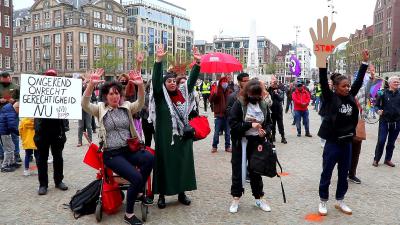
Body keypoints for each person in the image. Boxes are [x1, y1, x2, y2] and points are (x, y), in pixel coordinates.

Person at [82, 68, 153, 225]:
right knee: (135, 177)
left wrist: (140, 86)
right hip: (112, 154)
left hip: (129, 149)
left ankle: (139, 190)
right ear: (105, 96)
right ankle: (128, 214)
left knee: (150, 158)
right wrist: (91, 85)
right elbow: (84, 104)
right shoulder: (100, 109)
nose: (115, 96)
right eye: (111, 94)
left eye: (117, 93)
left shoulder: (126, 106)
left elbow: (140, 103)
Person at [316, 48, 369, 216]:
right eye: (344, 86)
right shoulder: (330, 98)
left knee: (343, 174)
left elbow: (359, 82)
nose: (347, 88)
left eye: (348, 86)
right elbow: (323, 81)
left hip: (347, 143)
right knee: (327, 172)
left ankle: (340, 200)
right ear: (336, 87)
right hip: (333, 143)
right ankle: (323, 201)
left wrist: (364, 63)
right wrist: (322, 63)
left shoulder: (350, 96)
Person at [151, 45, 201, 209]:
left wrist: (197, 63)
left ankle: (181, 193)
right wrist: (159, 61)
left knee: (183, 165)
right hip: (166, 138)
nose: (172, 83)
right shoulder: (160, 96)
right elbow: (156, 80)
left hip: (183, 136)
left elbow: (192, 80)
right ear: (164, 84)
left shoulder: (183, 93)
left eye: (174, 81)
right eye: (169, 81)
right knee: (164, 165)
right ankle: (162, 195)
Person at [229, 79, 273, 213]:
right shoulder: (239, 104)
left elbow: (269, 123)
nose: (255, 98)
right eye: (253, 95)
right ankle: (235, 198)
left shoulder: (263, 105)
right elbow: (233, 125)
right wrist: (250, 125)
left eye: (258, 95)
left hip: (256, 142)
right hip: (241, 142)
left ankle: (259, 198)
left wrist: (265, 132)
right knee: (238, 170)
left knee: (256, 171)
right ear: (247, 93)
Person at [34, 69, 69, 195]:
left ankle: (58, 180)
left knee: (58, 157)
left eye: (53, 78)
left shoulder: (62, 92)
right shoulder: (38, 91)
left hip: (57, 130)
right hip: (42, 130)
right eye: (49, 77)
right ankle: (43, 184)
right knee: (41, 159)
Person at [372, 76, 400, 167]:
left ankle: (388, 159)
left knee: (391, 143)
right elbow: (376, 106)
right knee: (381, 141)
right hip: (384, 121)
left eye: (398, 82)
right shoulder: (382, 93)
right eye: (395, 82)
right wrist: (378, 111)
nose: (397, 83)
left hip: (396, 122)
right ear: (390, 83)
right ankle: (376, 159)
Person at [0, 71, 21, 163]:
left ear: (10, 77)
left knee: (14, 135)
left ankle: (16, 154)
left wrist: (14, 101)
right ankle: (2, 154)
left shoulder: (16, 87)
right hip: (0, 114)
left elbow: (22, 99)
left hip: (12, 115)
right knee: (1, 136)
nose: (4, 81)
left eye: (6, 79)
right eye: (3, 80)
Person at [209, 76, 233, 153]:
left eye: (226, 82)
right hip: (218, 115)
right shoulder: (216, 91)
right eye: (223, 82)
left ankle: (228, 146)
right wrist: (213, 93)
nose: (225, 83)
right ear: (220, 83)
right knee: (216, 132)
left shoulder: (229, 91)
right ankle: (214, 146)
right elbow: (211, 100)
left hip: (227, 115)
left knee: (228, 132)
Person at [0, 102, 20, 172]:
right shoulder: (11, 112)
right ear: (17, 108)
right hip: (4, 132)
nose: (19, 113)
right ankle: (4, 166)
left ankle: (11, 163)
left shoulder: (9, 109)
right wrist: (19, 133)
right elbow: (11, 126)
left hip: (5, 131)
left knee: (12, 147)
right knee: (8, 149)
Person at [268, 79, 287, 144]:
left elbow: (281, 99)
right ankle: (273, 136)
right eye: (273, 83)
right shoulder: (268, 90)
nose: (275, 84)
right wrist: (272, 92)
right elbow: (269, 99)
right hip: (271, 110)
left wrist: (276, 94)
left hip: (279, 110)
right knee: (272, 124)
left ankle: (283, 137)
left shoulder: (280, 90)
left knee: (280, 124)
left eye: (276, 83)